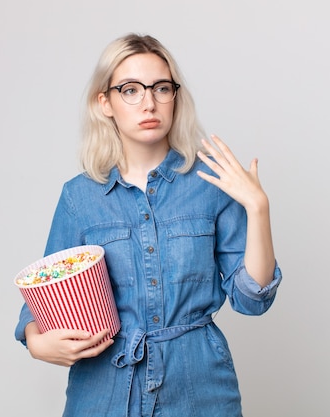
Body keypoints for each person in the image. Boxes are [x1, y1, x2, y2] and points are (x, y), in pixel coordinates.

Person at [15, 33, 282, 417]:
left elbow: (252, 299)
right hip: (103, 390)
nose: (149, 102)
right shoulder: (79, 197)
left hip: (199, 386)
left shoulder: (211, 184)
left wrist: (258, 208)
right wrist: (35, 340)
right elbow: (44, 290)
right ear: (104, 102)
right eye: (130, 90)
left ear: (175, 96)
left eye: (161, 88)